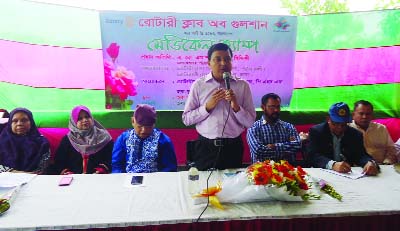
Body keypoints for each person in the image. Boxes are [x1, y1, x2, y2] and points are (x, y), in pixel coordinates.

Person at [182, 43, 256, 170]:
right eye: (218, 59)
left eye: (227, 59)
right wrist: (207, 107)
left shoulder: (242, 86)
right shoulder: (199, 85)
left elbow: (250, 122)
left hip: (233, 147)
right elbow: (186, 119)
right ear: (209, 63)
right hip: (206, 147)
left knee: (232, 187)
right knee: (205, 187)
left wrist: (236, 106)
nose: (223, 63)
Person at [307, 102, 379, 175]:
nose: (339, 128)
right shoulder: (317, 131)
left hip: (346, 174)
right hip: (322, 173)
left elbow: (361, 155)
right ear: (328, 119)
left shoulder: (355, 134)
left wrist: (370, 162)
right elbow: (313, 156)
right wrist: (332, 165)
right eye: (335, 123)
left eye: (343, 124)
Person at [112, 104, 177, 173]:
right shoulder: (123, 139)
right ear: (133, 121)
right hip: (128, 180)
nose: (144, 131)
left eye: (149, 127)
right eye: (140, 126)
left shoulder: (163, 141)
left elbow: (169, 168)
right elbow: (116, 165)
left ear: (154, 124)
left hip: (156, 180)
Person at [49, 105, 114, 174]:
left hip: (98, 177)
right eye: (80, 118)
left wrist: (102, 170)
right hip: (73, 179)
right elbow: (59, 161)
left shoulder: (103, 137)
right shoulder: (68, 140)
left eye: (87, 117)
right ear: (73, 122)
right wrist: (66, 172)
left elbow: (111, 158)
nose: (85, 120)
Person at [247, 93, 301, 164]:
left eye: (278, 107)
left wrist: (274, 146)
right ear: (263, 107)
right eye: (272, 107)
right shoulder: (253, 128)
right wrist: (287, 147)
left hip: (287, 171)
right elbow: (259, 151)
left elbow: (297, 146)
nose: (276, 110)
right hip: (262, 171)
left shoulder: (289, 127)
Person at [0, 108, 50, 173]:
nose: (19, 124)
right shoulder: (2, 141)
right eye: (15, 121)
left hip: (34, 179)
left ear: (31, 122)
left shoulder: (42, 143)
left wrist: (29, 175)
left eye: (24, 120)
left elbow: (42, 167)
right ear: (10, 124)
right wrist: (15, 172)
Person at [349, 100, 397, 164]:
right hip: (357, 167)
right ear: (353, 115)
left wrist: (387, 163)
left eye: (368, 114)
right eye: (361, 113)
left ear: (372, 115)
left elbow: (391, 149)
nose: (364, 117)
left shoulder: (381, 129)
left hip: (382, 166)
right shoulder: (347, 129)